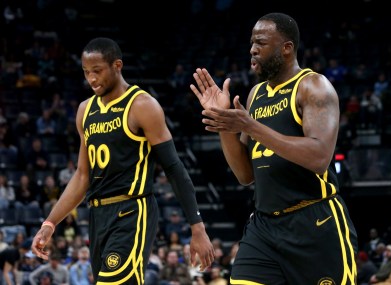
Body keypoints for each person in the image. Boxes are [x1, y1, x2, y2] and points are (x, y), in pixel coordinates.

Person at [190, 12, 358, 284]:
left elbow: (319, 157)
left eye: (260, 43)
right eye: (251, 43)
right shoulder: (257, 94)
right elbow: (245, 174)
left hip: (314, 223)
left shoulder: (313, 86)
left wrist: (252, 127)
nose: (252, 49)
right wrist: (223, 122)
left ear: (286, 48)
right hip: (264, 227)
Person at [31, 37, 215, 284]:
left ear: (117, 65)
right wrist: (50, 222)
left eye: (97, 71)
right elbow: (83, 176)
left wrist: (197, 226)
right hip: (98, 215)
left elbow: (173, 167)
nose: (92, 79)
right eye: (86, 72)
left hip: (131, 212)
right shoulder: (85, 110)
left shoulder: (142, 105)